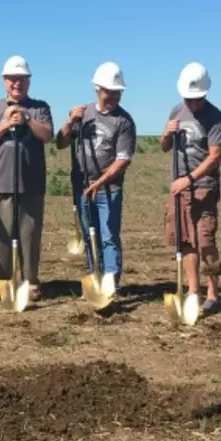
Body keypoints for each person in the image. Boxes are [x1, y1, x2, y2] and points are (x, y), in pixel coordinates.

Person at [0, 56, 54, 301]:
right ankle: (4, 281)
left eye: (22, 79)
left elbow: (47, 135)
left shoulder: (40, 107)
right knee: (2, 236)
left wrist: (27, 118)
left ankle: (31, 281)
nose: (17, 83)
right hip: (0, 184)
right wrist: (5, 123)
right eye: (12, 79)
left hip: (31, 184)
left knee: (30, 236)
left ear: (29, 81)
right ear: (4, 81)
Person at [57, 61, 136, 294]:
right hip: (82, 187)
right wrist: (70, 121)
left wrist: (99, 183)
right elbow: (61, 143)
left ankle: (111, 284)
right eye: (110, 92)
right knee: (89, 234)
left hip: (108, 189)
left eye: (117, 93)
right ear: (98, 90)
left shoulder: (124, 121)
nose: (114, 97)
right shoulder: (83, 115)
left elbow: (123, 160)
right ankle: (95, 276)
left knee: (108, 236)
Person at [158, 62, 221, 314]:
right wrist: (166, 134)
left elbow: (215, 157)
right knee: (186, 241)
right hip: (180, 190)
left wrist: (189, 178)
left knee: (205, 240)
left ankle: (213, 295)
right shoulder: (176, 111)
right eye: (189, 99)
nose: (194, 104)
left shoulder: (216, 117)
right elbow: (164, 146)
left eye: (198, 99)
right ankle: (192, 291)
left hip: (204, 188)